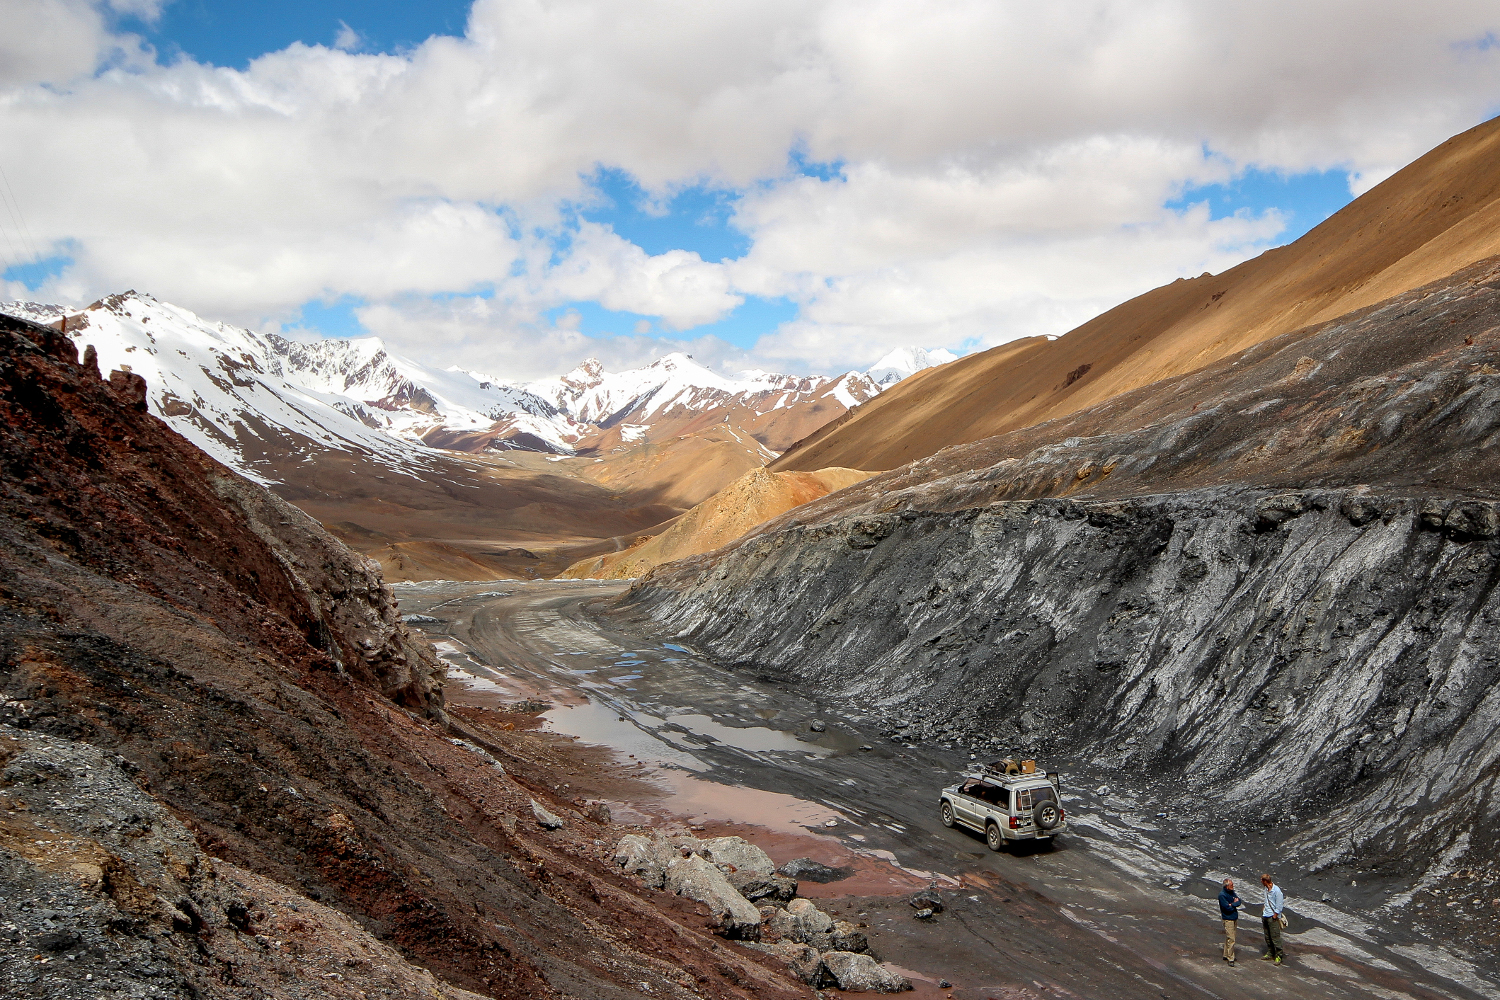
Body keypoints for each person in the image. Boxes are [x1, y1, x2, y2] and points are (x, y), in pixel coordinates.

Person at [1260, 873, 1285, 964]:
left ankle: (1279, 955)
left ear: (1265, 881)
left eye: (1262, 880)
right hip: (1265, 915)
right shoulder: (1266, 889)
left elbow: (1279, 904)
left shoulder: (1277, 891)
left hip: (1272, 917)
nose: (1261, 882)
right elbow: (1266, 901)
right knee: (1267, 936)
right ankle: (1270, 952)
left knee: (1275, 937)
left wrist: (1275, 915)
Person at [1218, 878, 1242, 964]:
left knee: (1229, 937)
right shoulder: (1222, 895)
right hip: (1228, 919)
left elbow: (1239, 901)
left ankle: (1226, 954)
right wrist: (1233, 904)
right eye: (1231, 885)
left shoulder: (1232, 892)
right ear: (1227, 886)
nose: (1233, 886)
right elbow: (1227, 908)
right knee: (1231, 939)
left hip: (1234, 917)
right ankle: (1231, 958)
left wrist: (1232, 904)